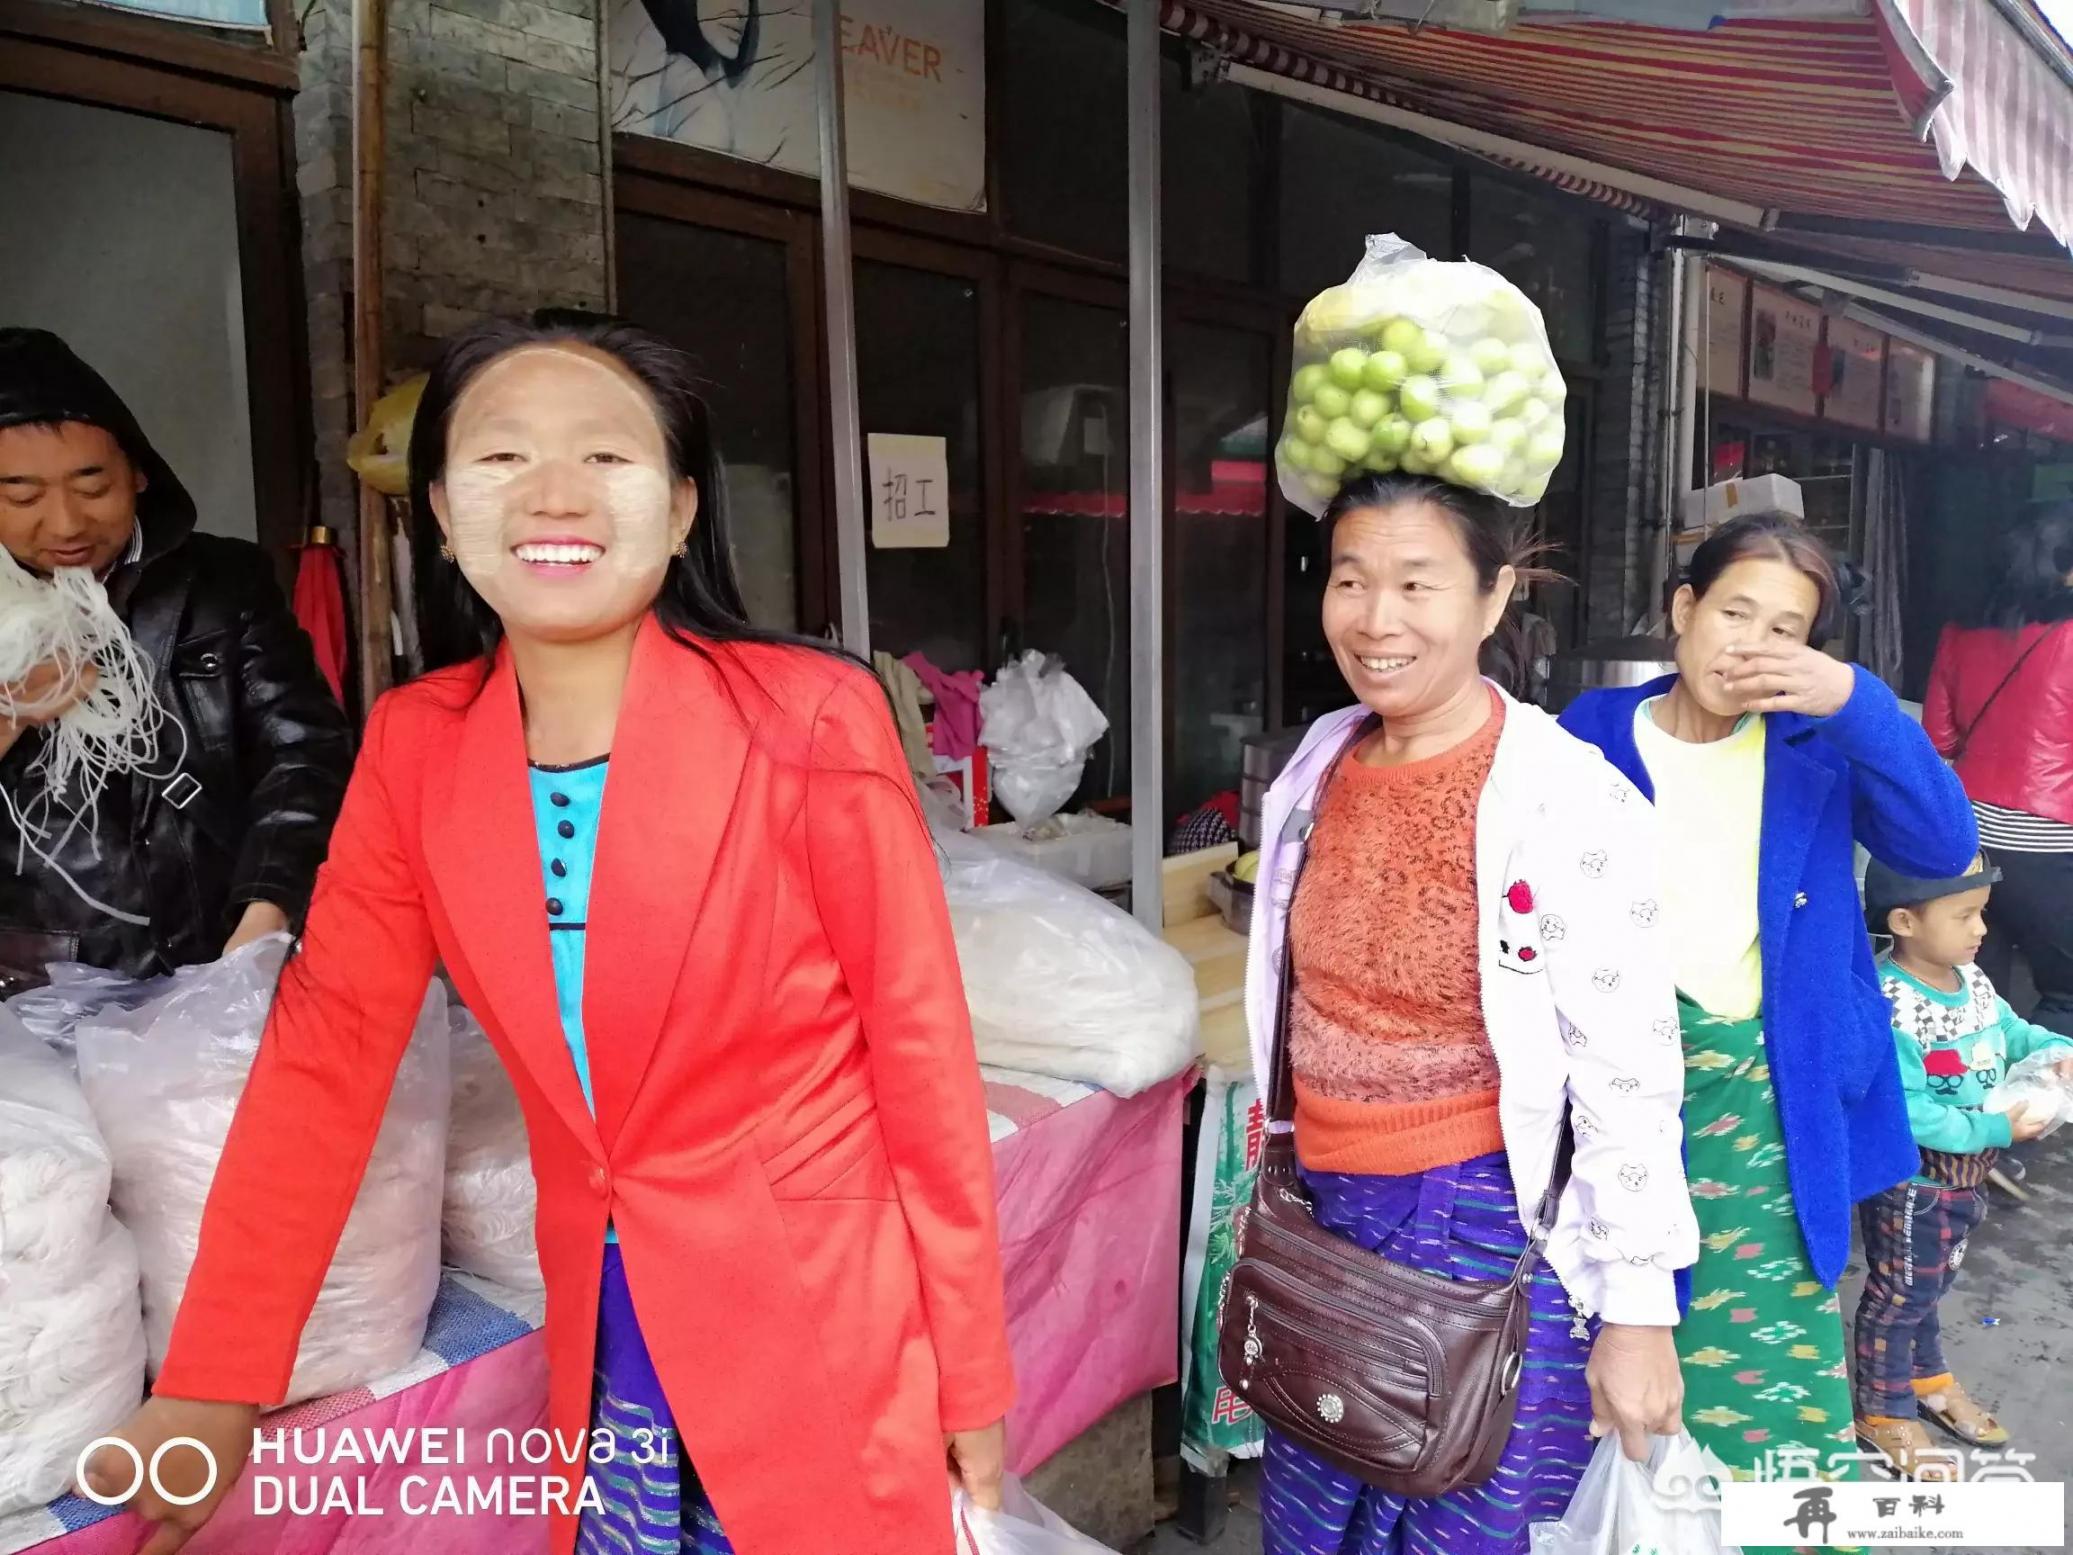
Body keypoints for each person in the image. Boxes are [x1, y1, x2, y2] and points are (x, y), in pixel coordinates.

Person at [83, 313, 1015, 1555]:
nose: (554, 495)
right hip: (603, 1307)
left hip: (817, 1305)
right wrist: (218, 1374)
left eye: (608, 459)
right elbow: (330, 1052)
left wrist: (973, 1376)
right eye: (503, 459)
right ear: (441, 513)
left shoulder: (808, 716)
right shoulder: (417, 745)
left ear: (683, 510)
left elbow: (921, 1058)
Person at [1245, 472, 1697, 1555]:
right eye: (1350, 580)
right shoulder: (1321, 763)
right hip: (1324, 1220)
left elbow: (1627, 1064)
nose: (1376, 618)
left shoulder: (1565, 796)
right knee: (1317, 1518)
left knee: (1459, 1523)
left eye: (1417, 583)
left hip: (1484, 1234)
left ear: (1496, 597)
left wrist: (1638, 1317)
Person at [1560, 516, 1978, 1508]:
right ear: (1683, 610)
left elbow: (1940, 836)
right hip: (1626, 1109)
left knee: (1767, 1396)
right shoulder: (1586, 733)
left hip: (1770, 1117)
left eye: (1785, 630)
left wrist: (1853, 699)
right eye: (1734, 611)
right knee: (1612, 1372)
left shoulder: (1815, 746)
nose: (1751, 643)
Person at [0, 328, 351, 993]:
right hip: (31, 985)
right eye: (22, 496)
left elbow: (305, 753)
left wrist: (265, 916)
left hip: (217, 951)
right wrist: (12, 710)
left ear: (138, 472)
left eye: (92, 484)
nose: (66, 522)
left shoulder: (221, 584)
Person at [1852, 853, 2073, 1476]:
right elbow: (1911, 1110)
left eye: (1981, 915)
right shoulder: (1892, 1001)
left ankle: (1927, 1379)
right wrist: (1995, 1127)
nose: (1982, 930)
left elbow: (2012, 1029)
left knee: (1930, 1285)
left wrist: (2057, 1050)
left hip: (1967, 1178)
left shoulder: (1971, 980)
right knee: (1898, 1295)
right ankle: (1882, 1409)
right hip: (1916, 1185)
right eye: (1965, 916)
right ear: (1905, 921)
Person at [1923, 505, 2073, 1037]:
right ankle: (2032, 1105)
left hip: (1967, 835)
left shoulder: (1959, 630)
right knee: (2066, 991)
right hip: (2049, 842)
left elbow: (1939, 738)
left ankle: (1970, 1104)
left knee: (1978, 989)